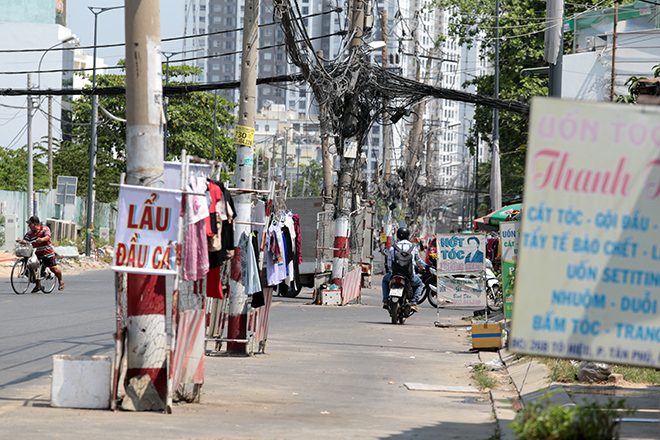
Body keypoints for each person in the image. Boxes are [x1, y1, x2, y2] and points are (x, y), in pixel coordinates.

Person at [382, 227, 424, 311]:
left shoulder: (393, 247)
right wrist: (422, 267)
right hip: (409, 276)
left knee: (384, 280)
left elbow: (390, 264)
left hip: (394, 275)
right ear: (408, 236)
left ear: (397, 236)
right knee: (419, 284)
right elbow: (419, 261)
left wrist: (391, 271)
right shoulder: (413, 247)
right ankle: (413, 303)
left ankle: (386, 300)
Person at [18, 216, 65, 292]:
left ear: (35, 224)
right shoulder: (30, 233)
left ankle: (61, 280)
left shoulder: (45, 229)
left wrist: (42, 239)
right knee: (33, 267)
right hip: (36, 253)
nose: (29, 226)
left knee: (54, 269)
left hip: (47, 253)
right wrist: (21, 241)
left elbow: (47, 236)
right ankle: (38, 285)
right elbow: (25, 240)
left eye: (30, 224)